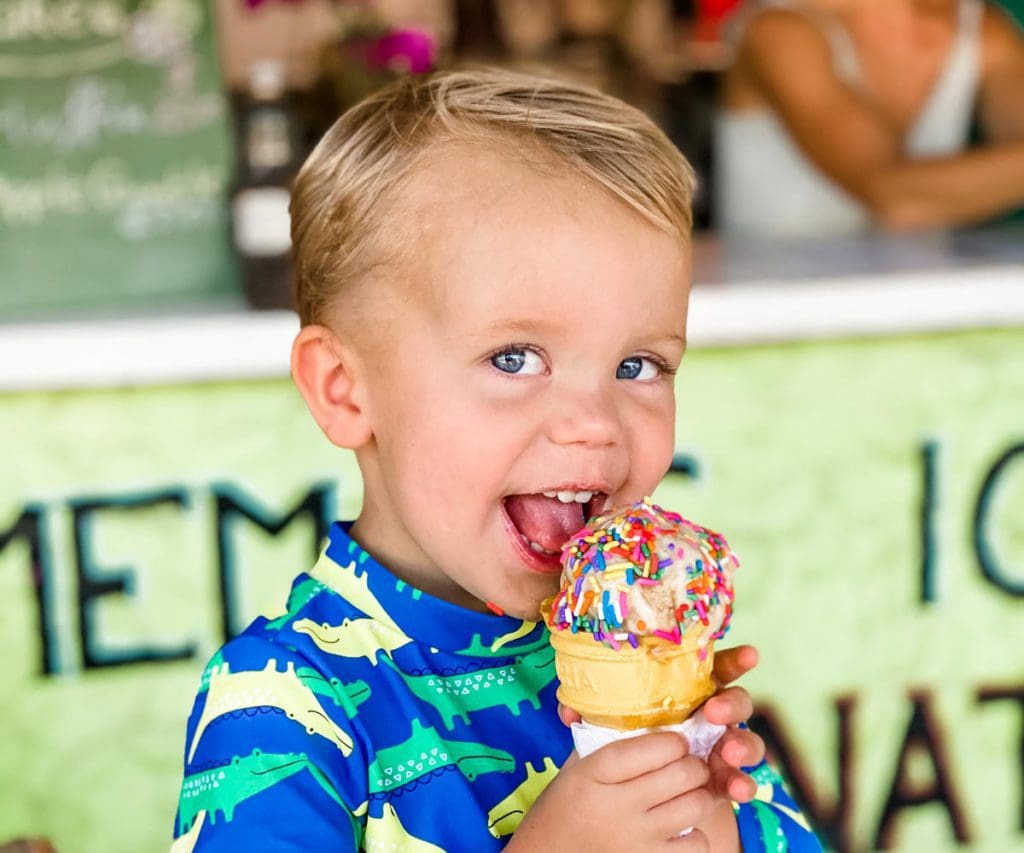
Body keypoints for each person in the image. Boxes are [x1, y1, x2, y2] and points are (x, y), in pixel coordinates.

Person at [172, 68, 822, 851]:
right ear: (345, 391)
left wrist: (717, 823)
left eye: (639, 365)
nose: (594, 424)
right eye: (515, 358)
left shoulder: (650, 655)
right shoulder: (281, 705)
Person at [715, 0, 1024, 237]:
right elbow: (898, 200)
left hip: (919, 305)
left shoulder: (976, 25)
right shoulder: (777, 31)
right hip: (771, 310)